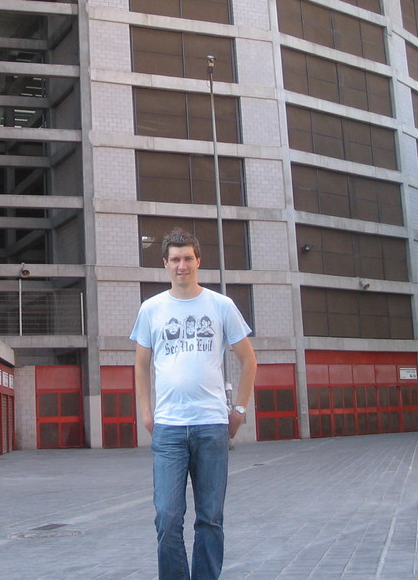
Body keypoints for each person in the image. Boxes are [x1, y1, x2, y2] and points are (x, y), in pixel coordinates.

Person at [131, 228, 257, 580]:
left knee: (210, 517)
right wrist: (146, 411)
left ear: (198, 261)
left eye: (188, 258)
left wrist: (240, 411)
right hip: (169, 428)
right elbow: (141, 365)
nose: (182, 265)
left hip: (211, 427)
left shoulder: (221, 306)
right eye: (175, 259)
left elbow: (249, 360)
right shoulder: (151, 309)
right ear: (165, 264)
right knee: (167, 517)